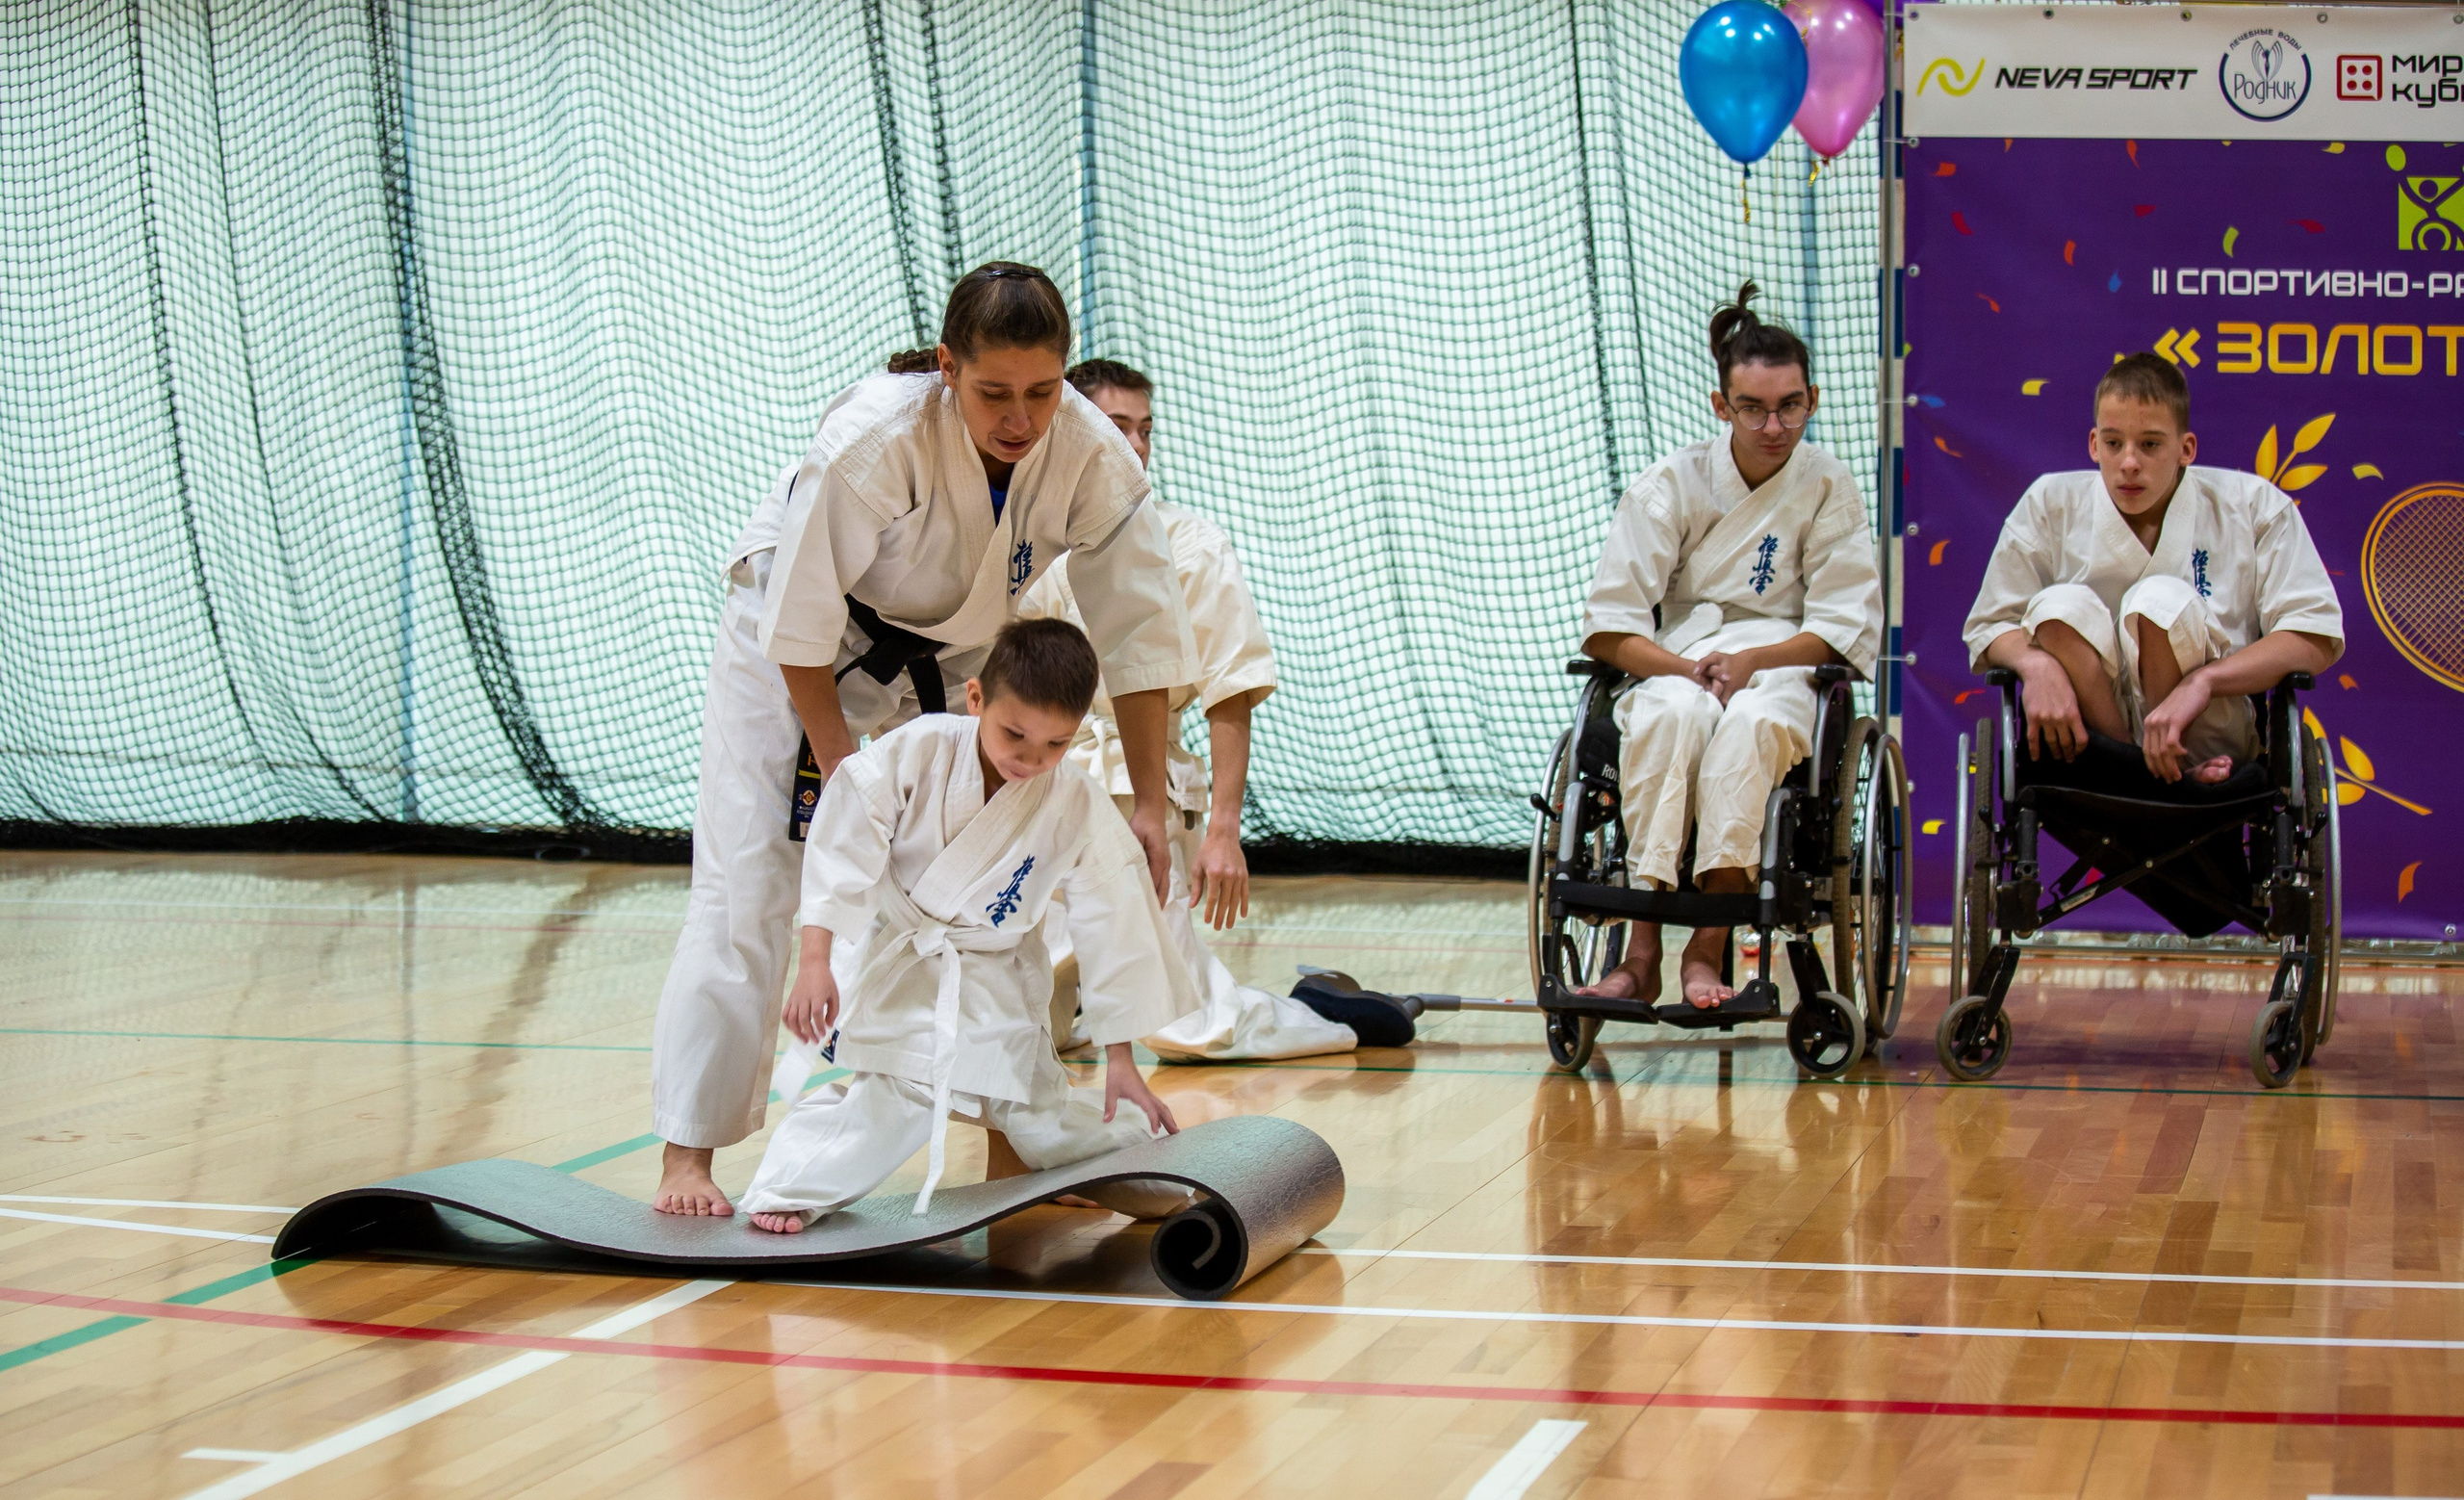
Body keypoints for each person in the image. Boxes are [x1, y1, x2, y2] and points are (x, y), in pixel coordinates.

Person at [650, 263, 1197, 1217]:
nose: (1019, 417)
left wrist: (1149, 802)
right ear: (947, 368)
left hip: (954, 663)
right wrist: (844, 773)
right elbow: (801, 624)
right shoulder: (871, 441)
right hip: (795, 653)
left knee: (990, 886)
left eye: (1041, 391)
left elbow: (1140, 632)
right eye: (993, 392)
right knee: (752, 881)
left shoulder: (1093, 455)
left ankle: (1011, 1142)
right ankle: (686, 1153)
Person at [742, 619, 1198, 1231]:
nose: (1032, 760)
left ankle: (1161, 1170)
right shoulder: (920, 748)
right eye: (1016, 734)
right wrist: (817, 961)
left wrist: (1121, 1058)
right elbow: (842, 846)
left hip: (998, 981)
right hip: (910, 968)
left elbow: (1113, 924)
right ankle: (788, 1188)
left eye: (1056, 745)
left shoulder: (1075, 800)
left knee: (1040, 1118)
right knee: (902, 1096)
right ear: (977, 698)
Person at [1016, 359, 1358, 1062]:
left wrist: (1223, 833)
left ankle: (1330, 1013)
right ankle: (1077, 1009)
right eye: (1119, 428)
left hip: (1138, 788)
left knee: (1183, 1028)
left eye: (1146, 430)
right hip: (1036, 783)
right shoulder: (1021, 535)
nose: (1137, 446)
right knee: (1022, 1030)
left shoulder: (1190, 544)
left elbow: (1232, 688)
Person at [1571, 282, 1883, 1015]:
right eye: (1753, 408)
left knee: (1750, 728)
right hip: (1683, 655)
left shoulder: (1829, 487)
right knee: (1667, 718)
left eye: (1790, 407)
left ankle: (1706, 949)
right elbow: (1613, 626)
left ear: (1812, 399)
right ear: (1722, 407)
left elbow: (1843, 624)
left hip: (1783, 663)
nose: (1774, 426)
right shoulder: (1668, 486)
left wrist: (1752, 664)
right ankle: (1640, 952)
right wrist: (1685, 668)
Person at [1964, 352, 2342, 784]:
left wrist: (2202, 684)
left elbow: (2314, 635)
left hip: (2207, 738)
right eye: (2113, 443)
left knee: (2160, 601)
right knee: (2057, 607)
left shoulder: (2253, 506)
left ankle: (2173, 764)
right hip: (2089, 747)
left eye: (2149, 444)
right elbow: (1991, 624)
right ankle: (2138, 768)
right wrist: (2036, 667)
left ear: (2186, 449)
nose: (2128, 462)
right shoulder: (2049, 504)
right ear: (2093, 444)